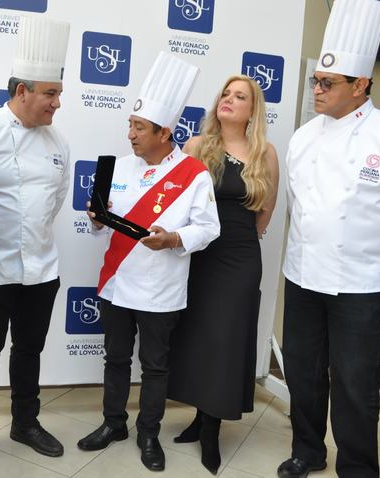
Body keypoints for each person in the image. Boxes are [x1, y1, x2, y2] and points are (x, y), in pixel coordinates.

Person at [277, 1, 380, 477]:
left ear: (360, 85)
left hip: (359, 284)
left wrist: (367, 259)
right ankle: (307, 451)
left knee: (356, 383)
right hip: (303, 276)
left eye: (328, 83)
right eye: (315, 82)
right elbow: (298, 206)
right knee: (302, 372)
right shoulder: (303, 137)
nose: (317, 90)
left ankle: (358, 468)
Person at [77, 52, 220, 472]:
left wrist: (173, 238)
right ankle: (113, 423)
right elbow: (100, 226)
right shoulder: (116, 168)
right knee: (115, 359)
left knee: (155, 366)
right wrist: (95, 219)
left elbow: (208, 227)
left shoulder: (193, 174)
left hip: (161, 287)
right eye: (130, 124)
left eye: (139, 127)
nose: (131, 134)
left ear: (165, 132)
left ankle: (149, 433)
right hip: (117, 282)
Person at [0, 16, 71, 473]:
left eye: (59, 94)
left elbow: (55, 200)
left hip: (42, 270)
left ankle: (26, 423)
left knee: (29, 351)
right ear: (22, 91)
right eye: (50, 94)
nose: (57, 103)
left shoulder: (59, 142)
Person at [167, 74, 278, 475]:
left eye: (239, 96)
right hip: (201, 256)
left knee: (227, 340)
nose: (228, 99)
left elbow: (265, 211)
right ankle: (200, 417)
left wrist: (240, 237)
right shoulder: (196, 147)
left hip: (241, 258)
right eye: (225, 94)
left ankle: (211, 428)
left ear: (253, 110)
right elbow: (177, 202)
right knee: (200, 337)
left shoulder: (265, 153)